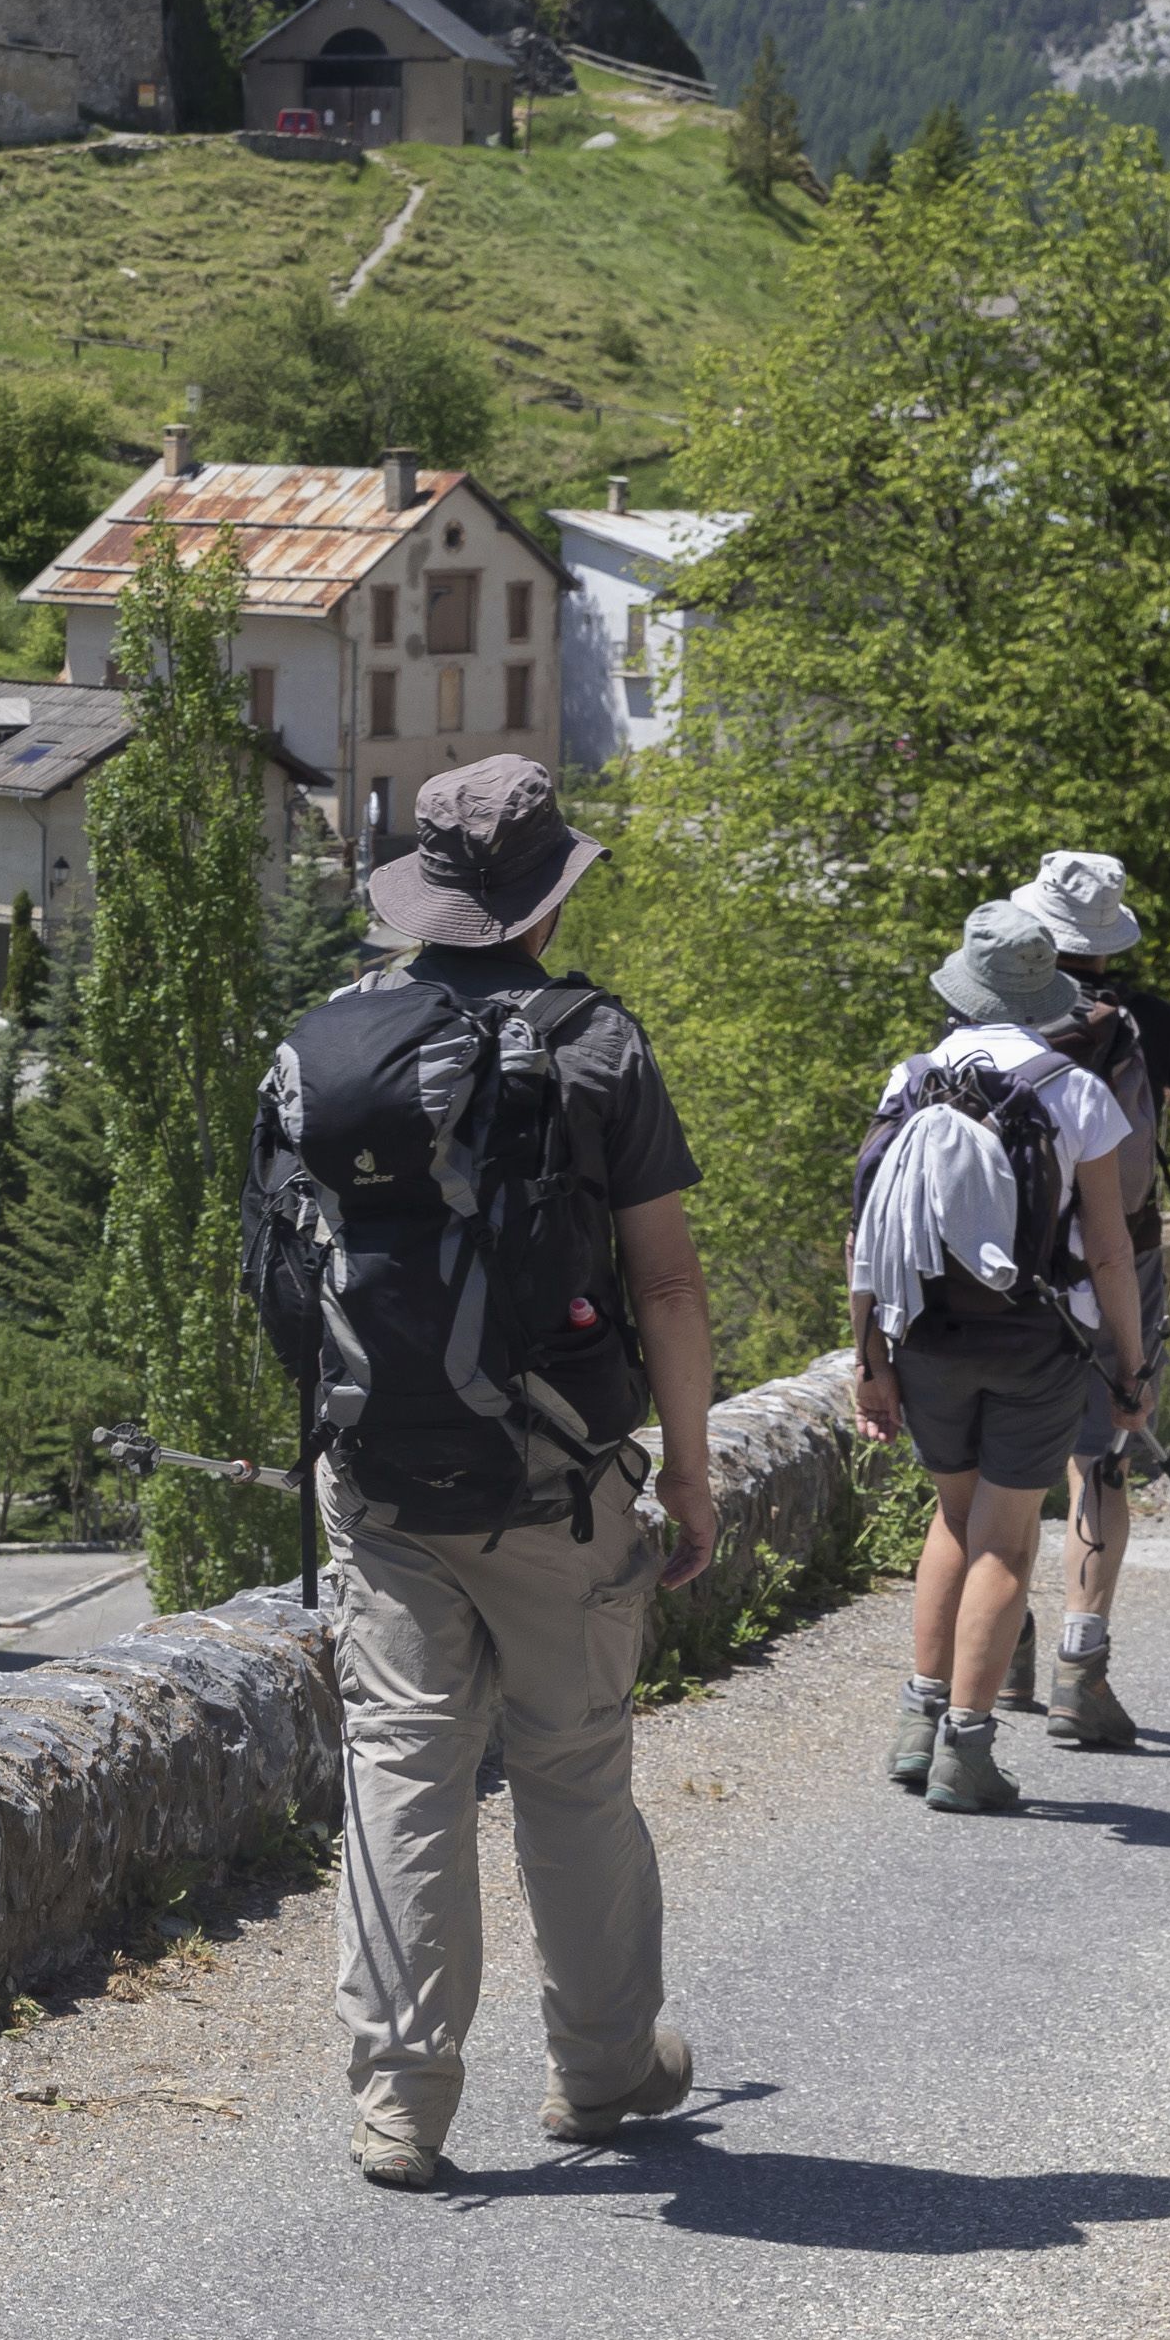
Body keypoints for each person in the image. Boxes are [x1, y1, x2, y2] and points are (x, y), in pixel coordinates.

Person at [316, 755, 720, 2191]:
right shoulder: (599, 1047)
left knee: (403, 1771)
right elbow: (665, 1285)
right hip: (559, 1476)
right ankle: (605, 2069)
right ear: (547, 904)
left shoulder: (325, 1041)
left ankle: (400, 2106)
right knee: (569, 1767)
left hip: (379, 1476)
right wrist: (688, 1473)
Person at [849, 901, 1153, 1817]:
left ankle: (918, 1718)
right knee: (1008, 1541)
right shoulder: (1077, 1093)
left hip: (926, 1334)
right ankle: (968, 1753)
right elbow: (1107, 1251)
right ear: (1045, 993)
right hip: (1037, 1341)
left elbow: (868, 1233)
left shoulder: (910, 1080)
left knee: (952, 1520)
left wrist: (869, 1359)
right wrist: (1129, 1367)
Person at [1012, 849, 1170, 1752]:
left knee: (1008, 1451)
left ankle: (999, 1642)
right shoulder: (1150, 1019)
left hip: (1011, 1264)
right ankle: (1078, 1668)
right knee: (1103, 1458)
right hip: (1122, 1260)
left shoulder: (1000, 1005)